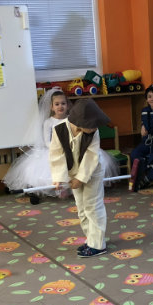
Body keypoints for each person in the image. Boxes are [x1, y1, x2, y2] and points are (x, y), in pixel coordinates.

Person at [50, 98, 112, 258]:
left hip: (92, 171)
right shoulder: (59, 130)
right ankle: (91, 239)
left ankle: (98, 245)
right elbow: (56, 155)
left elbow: (91, 156)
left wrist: (81, 178)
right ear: (80, 122)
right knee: (82, 208)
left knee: (93, 206)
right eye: (92, 124)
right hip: (72, 173)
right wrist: (59, 178)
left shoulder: (93, 132)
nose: (96, 127)